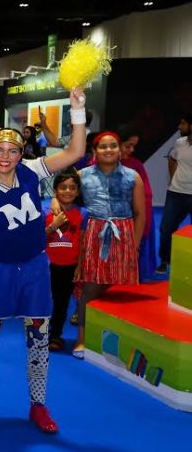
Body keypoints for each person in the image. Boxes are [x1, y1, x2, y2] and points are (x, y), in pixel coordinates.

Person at [0, 88, 88, 434]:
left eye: (13, 151)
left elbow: (76, 151)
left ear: (21, 153)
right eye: (0, 150)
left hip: (34, 266)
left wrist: (77, 109)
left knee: (39, 337)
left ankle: (38, 405)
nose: (6, 156)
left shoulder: (32, 170)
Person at [73, 131, 145, 359]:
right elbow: (63, 194)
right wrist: (55, 201)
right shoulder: (82, 175)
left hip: (124, 233)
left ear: (119, 149)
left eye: (113, 145)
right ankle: (82, 339)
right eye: (103, 146)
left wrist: (135, 245)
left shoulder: (133, 176)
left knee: (116, 288)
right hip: (94, 233)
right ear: (95, 151)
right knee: (90, 287)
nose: (109, 150)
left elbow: (140, 213)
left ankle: (111, 339)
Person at [45, 170, 84, 352]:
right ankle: (38, 331)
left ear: (78, 191)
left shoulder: (83, 213)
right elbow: (35, 238)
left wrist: (79, 266)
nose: (67, 191)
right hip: (47, 266)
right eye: (63, 187)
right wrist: (54, 225)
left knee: (62, 301)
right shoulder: (45, 211)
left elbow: (83, 242)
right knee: (44, 300)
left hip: (69, 267)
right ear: (55, 190)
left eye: (72, 188)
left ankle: (55, 334)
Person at [119, 126, 157, 280]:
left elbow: (145, 196)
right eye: (128, 146)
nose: (132, 150)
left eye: (133, 146)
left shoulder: (135, 166)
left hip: (130, 221)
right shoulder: (97, 165)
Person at [156, 115, 192, 274]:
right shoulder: (179, 143)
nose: (179, 126)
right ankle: (165, 260)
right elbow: (172, 159)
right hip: (176, 193)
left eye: (183, 123)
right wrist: (173, 179)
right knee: (166, 229)